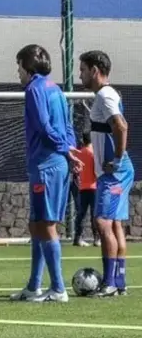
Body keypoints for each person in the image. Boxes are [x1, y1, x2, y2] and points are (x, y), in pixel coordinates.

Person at [9, 44, 79, 303]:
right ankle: (33, 286)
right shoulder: (55, 89)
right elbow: (68, 125)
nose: (17, 72)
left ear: (28, 67)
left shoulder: (35, 89)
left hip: (47, 165)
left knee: (46, 224)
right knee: (36, 223)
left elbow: (43, 126)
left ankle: (58, 288)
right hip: (53, 163)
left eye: (18, 66)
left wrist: (65, 150)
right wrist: (70, 149)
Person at [79, 50, 131, 297]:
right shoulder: (107, 94)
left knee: (102, 222)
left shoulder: (105, 95)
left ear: (95, 71)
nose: (80, 75)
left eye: (82, 70)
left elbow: (121, 125)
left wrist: (117, 160)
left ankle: (110, 283)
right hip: (116, 170)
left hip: (115, 171)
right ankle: (118, 283)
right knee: (115, 224)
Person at [68, 131, 98, 247]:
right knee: (94, 214)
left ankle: (78, 238)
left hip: (82, 187)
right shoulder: (93, 153)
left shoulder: (80, 153)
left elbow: (75, 167)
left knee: (81, 214)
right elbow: (96, 171)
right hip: (94, 187)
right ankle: (96, 239)